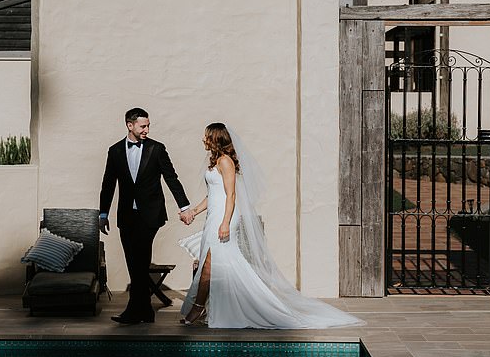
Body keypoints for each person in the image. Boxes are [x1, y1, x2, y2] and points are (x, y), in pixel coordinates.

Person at [180, 123, 361, 329]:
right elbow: (212, 194)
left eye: (206, 136)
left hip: (225, 216)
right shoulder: (214, 162)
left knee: (210, 264)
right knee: (212, 262)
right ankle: (210, 305)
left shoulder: (225, 161)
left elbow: (231, 194)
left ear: (215, 138)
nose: (203, 139)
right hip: (213, 215)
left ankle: (199, 306)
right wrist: (194, 211)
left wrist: (225, 223)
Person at [99, 108, 191, 324]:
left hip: (150, 215)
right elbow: (108, 184)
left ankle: (134, 309)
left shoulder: (156, 149)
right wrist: (103, 213)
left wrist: (184, 206)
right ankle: (146, 310)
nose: (146, 130)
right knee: (133, 261)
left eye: (148, 126)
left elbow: (171, 178)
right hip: (126, 215)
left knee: (139, 258)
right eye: (143, 126)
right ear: (129, 125)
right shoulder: (115, 151)